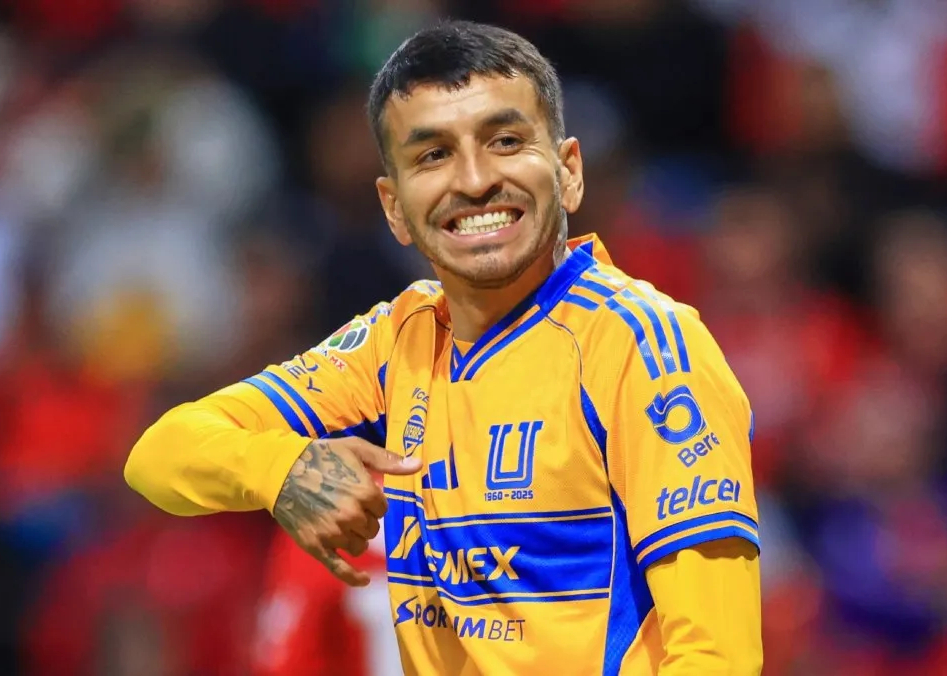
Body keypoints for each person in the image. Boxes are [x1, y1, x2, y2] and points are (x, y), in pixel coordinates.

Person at [124, 20, 763, 675]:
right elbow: (159, 455)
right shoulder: (395, 342)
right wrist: (280, 468)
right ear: (394, 208)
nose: (476, 180)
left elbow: (718, 658)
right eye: (433, 155)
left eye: (505, 141)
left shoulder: (641, 347)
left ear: (569, 172)